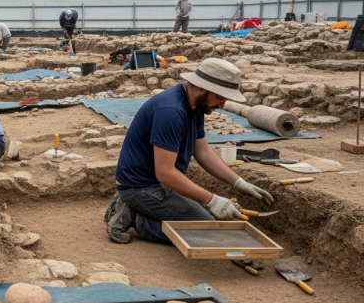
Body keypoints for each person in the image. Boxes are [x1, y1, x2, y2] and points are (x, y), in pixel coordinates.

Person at [104, 58, 274, 244]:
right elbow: (165, 172)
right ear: (202, 87)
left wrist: (239, 182)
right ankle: (138, 218)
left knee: (212, 219)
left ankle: (142, 210)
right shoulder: (171, 111)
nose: (222, 106)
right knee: (209, 234)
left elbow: (202, 152)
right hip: (141, 187)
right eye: (219, 97)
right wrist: (212, 200)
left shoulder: (195, 107)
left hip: (158, 183)